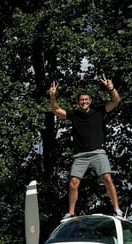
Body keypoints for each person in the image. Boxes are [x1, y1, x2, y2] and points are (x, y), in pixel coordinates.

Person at [48, 75, 122, 218]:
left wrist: (111, 88)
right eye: (82, 100)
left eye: (86, 99)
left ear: (90, 101)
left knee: (107, 178)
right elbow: (56, 110)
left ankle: (117, 210)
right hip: (80, 155)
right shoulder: (74, 115)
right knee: (73, 183)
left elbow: (116, 101)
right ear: (78, 102)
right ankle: (70, 213)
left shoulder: (99, 110)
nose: (84, 102)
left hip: (98, 152)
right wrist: (52, 96)